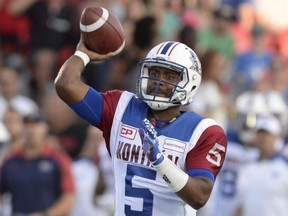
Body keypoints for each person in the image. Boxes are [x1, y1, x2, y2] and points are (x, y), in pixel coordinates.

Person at [55, 39, 227, 215]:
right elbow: (66, 84)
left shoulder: (204, 131)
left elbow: (199, 196)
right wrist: (82, 54)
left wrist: (161, 162)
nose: (158, 81)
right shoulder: (120, 108)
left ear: (189, 82)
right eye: (154, 73)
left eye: (169, 76)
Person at [0, 113, 75, 215]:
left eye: (36, 125)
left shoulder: (58, 159)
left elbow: (69, 197)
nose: (31, 129)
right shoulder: (10, 160)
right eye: (27, 125)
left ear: (45, 128)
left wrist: (45, 214)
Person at [233, 115, 288, 216]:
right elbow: (241, 204)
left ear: (277, 136)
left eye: (268, 134)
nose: (263, 137)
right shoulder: (247, 166)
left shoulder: (284, 167)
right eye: (260, 133)